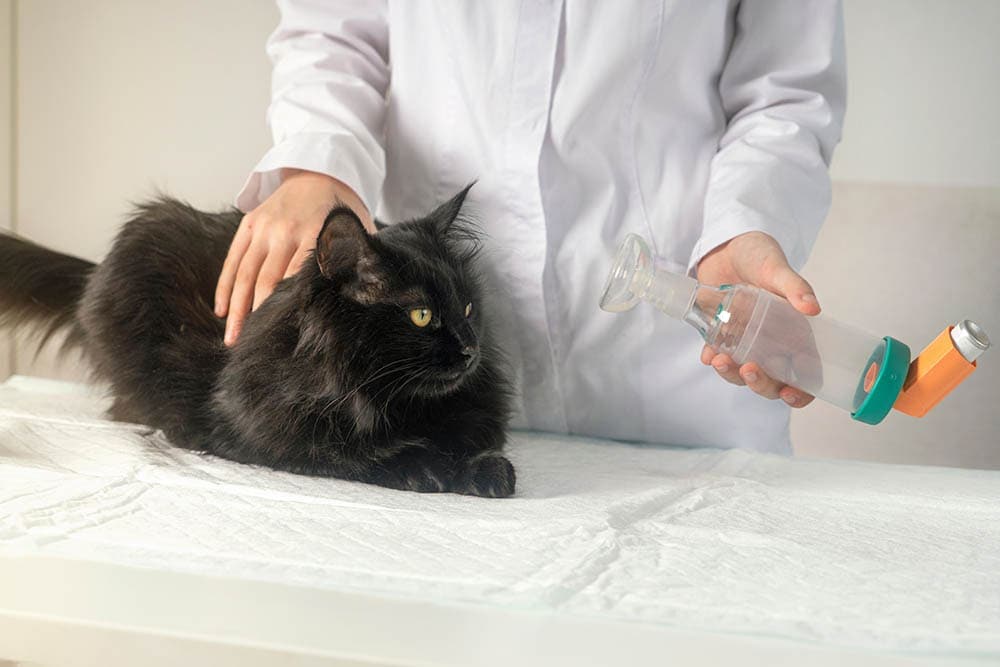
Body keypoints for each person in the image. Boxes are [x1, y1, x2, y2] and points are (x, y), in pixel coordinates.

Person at [217, 1, 846, 453]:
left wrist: (742, 228)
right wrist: (316, 164)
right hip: (423, 402)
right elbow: (333, 34)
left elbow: (785, 93)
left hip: (676, 380)